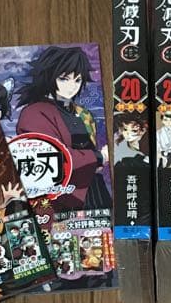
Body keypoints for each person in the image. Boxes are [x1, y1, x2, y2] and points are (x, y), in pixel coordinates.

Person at [15, 46, 110, 212]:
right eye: (64, 79)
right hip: (61, 195)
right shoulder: (34, 112)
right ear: (49, 77)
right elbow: (52, 157)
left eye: (77, 80)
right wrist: (99, 157)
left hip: (93, 187)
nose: (72, 86)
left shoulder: (82, 113)